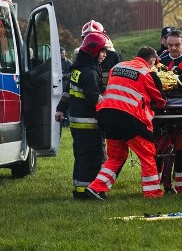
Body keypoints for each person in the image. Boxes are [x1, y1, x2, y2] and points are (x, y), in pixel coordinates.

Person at [85, 47, 166, 200]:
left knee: (116, 156)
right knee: (147, 153)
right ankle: (152, 194)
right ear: (151, 61)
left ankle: (96, 188)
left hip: (107, 114)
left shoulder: (117, 67)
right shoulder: (146, 72)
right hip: (129, 117)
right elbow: (160, 101)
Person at [54, 32, 108, 200]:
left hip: (77, 125)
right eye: (102, 51)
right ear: (93, 51)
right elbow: (94, 98)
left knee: (81, 157)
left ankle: (79, 190)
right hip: (89, 124)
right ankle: (87, 193)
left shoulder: (77, 69)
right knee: (92, 158)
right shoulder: (89, 73)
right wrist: (110, 103)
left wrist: (61, 108)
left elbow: (68, 92)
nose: (104, 55)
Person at [155, 29, 182, 194]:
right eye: (170, 44)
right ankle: (156, 185)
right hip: (163, 110)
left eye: (177, 45)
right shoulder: (162, 58)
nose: (173, 48)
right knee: (159, 149)